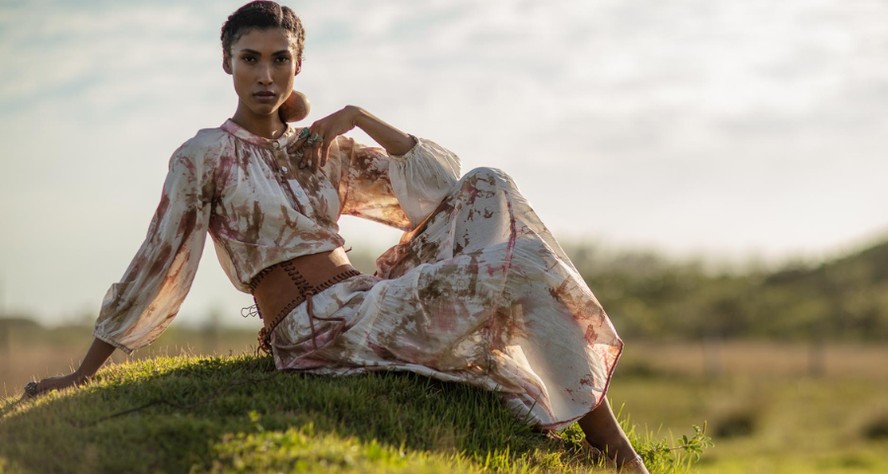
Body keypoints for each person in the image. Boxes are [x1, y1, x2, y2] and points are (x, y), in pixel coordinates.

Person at [23, 2, 647, 472]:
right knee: (527, 261)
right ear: (227, 64)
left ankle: (511, 358)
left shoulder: (320, 147)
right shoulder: (204, 155)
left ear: (297, 65)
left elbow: (437, 189)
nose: (265, 75)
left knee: (489, 183)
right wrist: (82, 373)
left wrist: (356, 117)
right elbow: (159, 257)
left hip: (365, 296)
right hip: (315, 327)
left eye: (279, 59)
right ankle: (613, 447)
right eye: (250, 59)